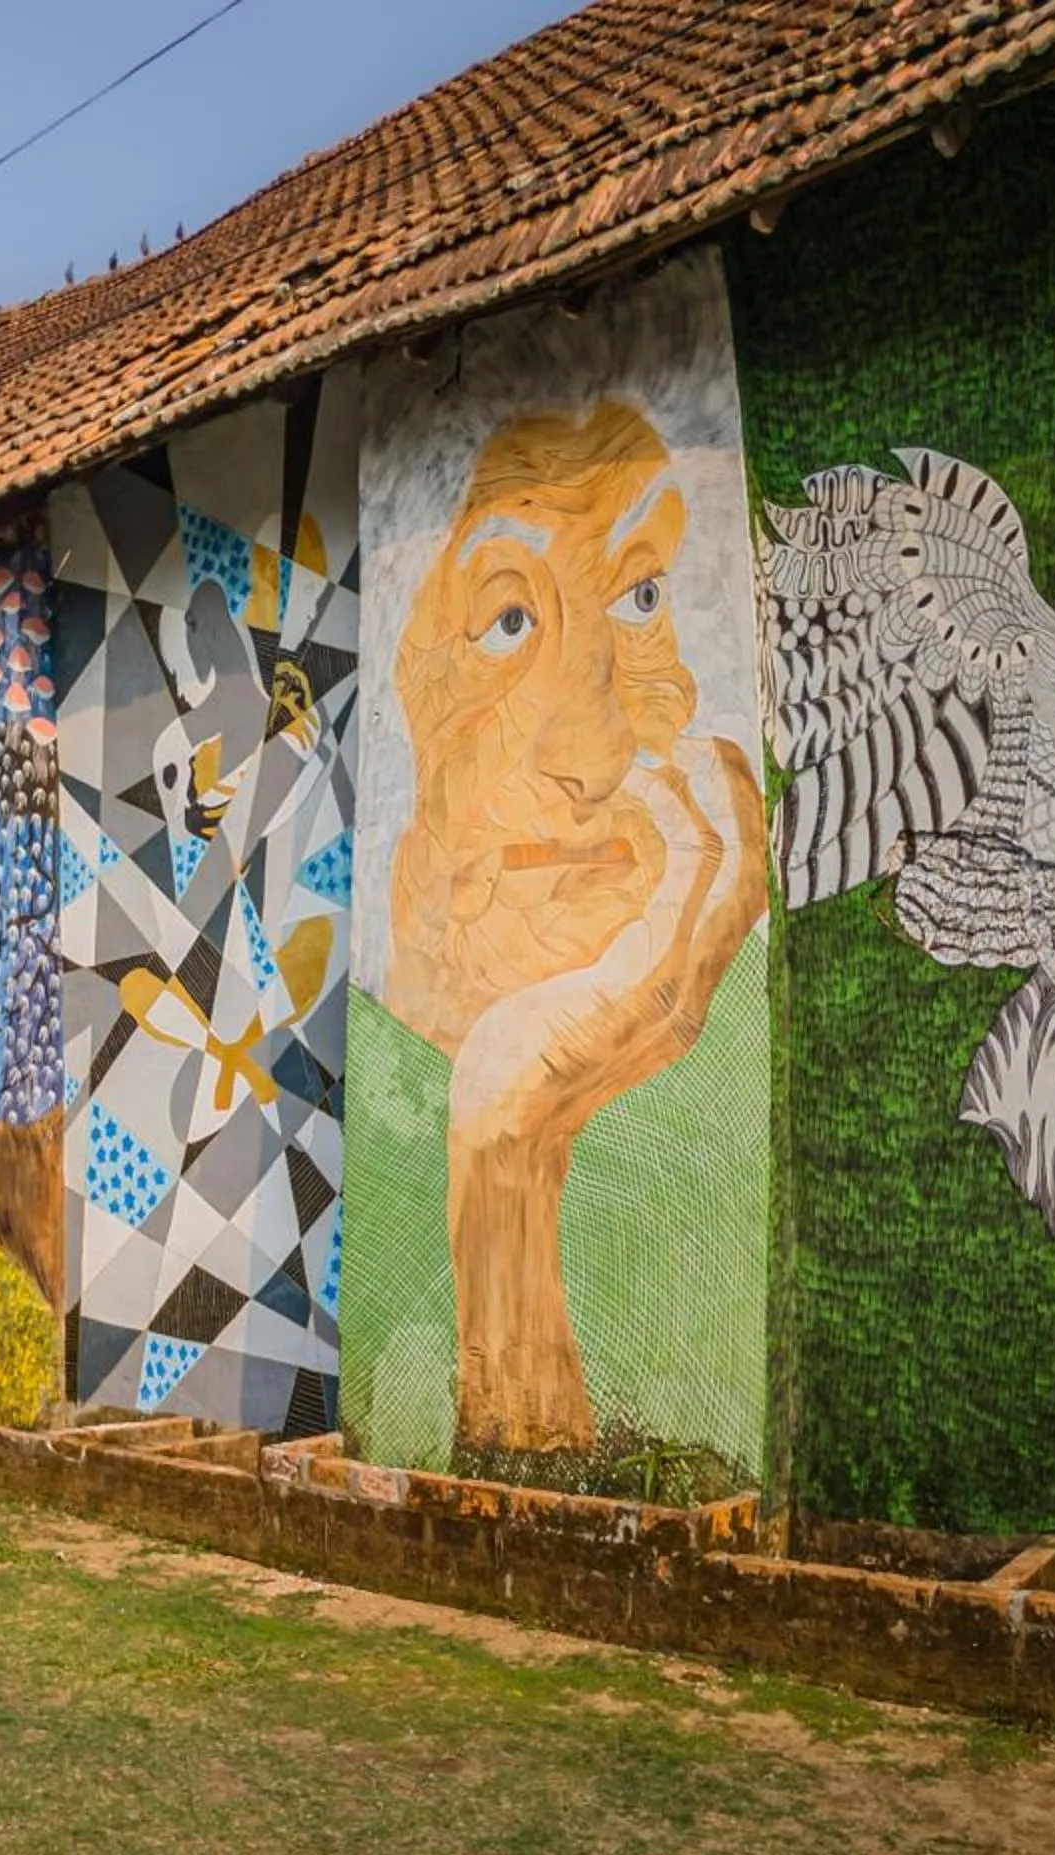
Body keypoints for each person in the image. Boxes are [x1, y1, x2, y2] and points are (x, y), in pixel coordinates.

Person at [384, 397, 766, 1453]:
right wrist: (505, 1133)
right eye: (509, 621)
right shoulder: (374, 1050)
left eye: (641, 596)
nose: (590, 755)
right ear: (417, 683)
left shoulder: (753, 1030)